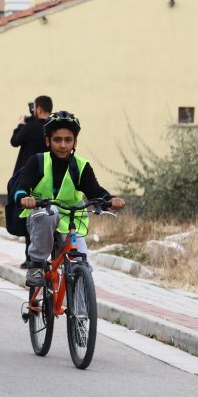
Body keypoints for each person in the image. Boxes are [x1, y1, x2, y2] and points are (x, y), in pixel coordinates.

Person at [15, 111, 126, 286]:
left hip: (72, 220)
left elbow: (94, 190)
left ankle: (81, 311)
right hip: (41, 216)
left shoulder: (81, 166)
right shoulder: (37, 162)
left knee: (82, 265)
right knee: (48, 214)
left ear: (75, 142)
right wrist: (24, 198)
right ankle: (36, 265)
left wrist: (109, 200)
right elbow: (21, 188)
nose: (63, 145)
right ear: (48, 141)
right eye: (57, 140)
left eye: (68, 140)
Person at [10, 95, 53, 266]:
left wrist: (20, 125)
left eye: (34, 107)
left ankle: (31, 259)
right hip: (49, 177)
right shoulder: (52, 129)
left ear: (39, 109)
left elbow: (14, 141)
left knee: (31, 217)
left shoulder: (30, 127)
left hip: (28, 178)